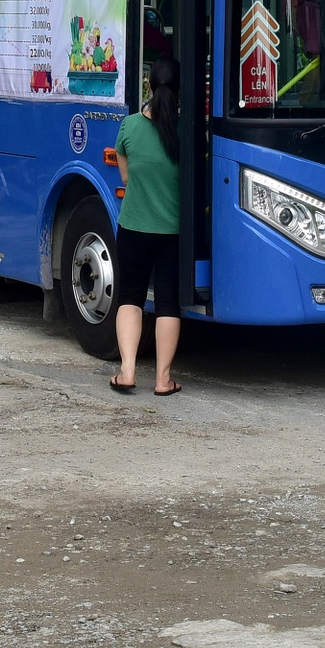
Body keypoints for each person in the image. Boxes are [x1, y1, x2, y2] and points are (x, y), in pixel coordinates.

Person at [111, 58, 185, 397]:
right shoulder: (188, 131)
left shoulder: (129, 127)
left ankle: (127, 371)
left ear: (149, 87)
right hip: (173, 233)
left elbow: (125, 176)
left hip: (134, 228)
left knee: (130, 297)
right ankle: (162, 380)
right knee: (168, 302)